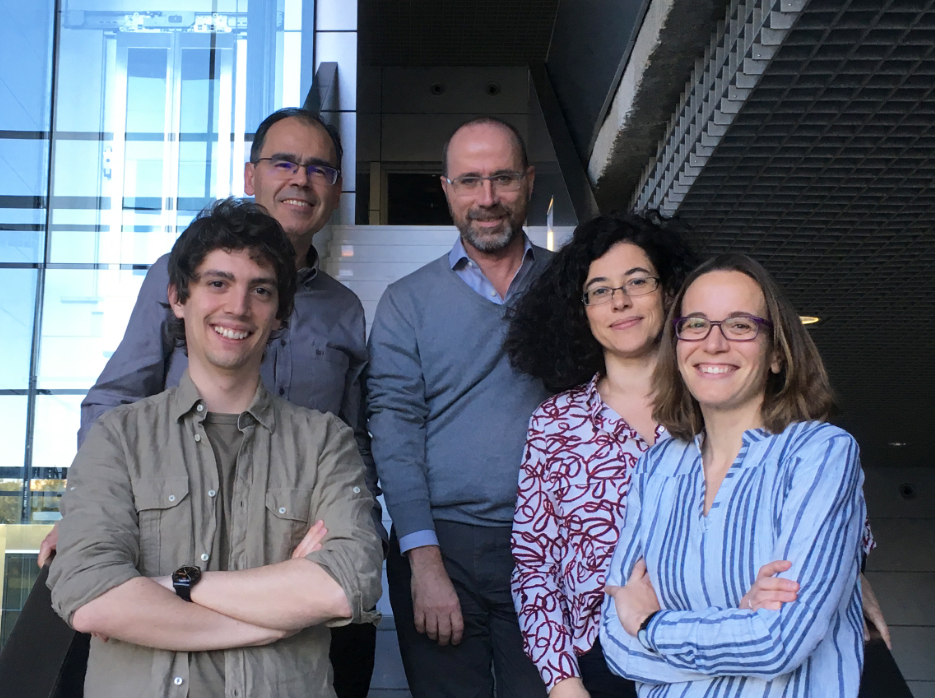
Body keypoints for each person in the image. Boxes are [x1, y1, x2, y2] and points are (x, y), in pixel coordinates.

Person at [39, 107, 382, 697]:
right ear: (251, 177)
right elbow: (117, 397)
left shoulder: (345, 315)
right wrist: (89, 511)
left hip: (293, 512)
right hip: (173, 509)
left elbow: (353, 438)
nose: (301, 178)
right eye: (284, 162)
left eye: (318, 167)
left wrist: (352, 528)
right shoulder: (172, 284)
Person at [600, 253, 867, 696]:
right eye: (696, 324)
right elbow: (614, 642)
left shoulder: (819, 454)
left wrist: (652, 623)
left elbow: (780, 641)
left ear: (777, 353)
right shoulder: (657, 467)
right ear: (678, 344)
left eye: (740, 325)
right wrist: (740, 621)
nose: (714, 343)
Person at [367, 116, 552, 697]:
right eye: (469, 181)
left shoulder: (575, 286)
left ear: (528, 181)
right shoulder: (405, 303)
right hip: (443, 544)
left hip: (551, 545)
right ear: (445, 189)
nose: (488, 198)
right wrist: (423, 563)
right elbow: (395, 434)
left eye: (502, 179)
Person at [505, 213, 696, 698]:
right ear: (581, 311)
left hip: (714, 651)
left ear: (670, 292)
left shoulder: (715, 403)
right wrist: (562, 680)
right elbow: (534, 564)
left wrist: (849, 582)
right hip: (600, 663)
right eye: (599, 290)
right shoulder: (554, 423)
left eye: (638, 281)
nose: (620, 301)